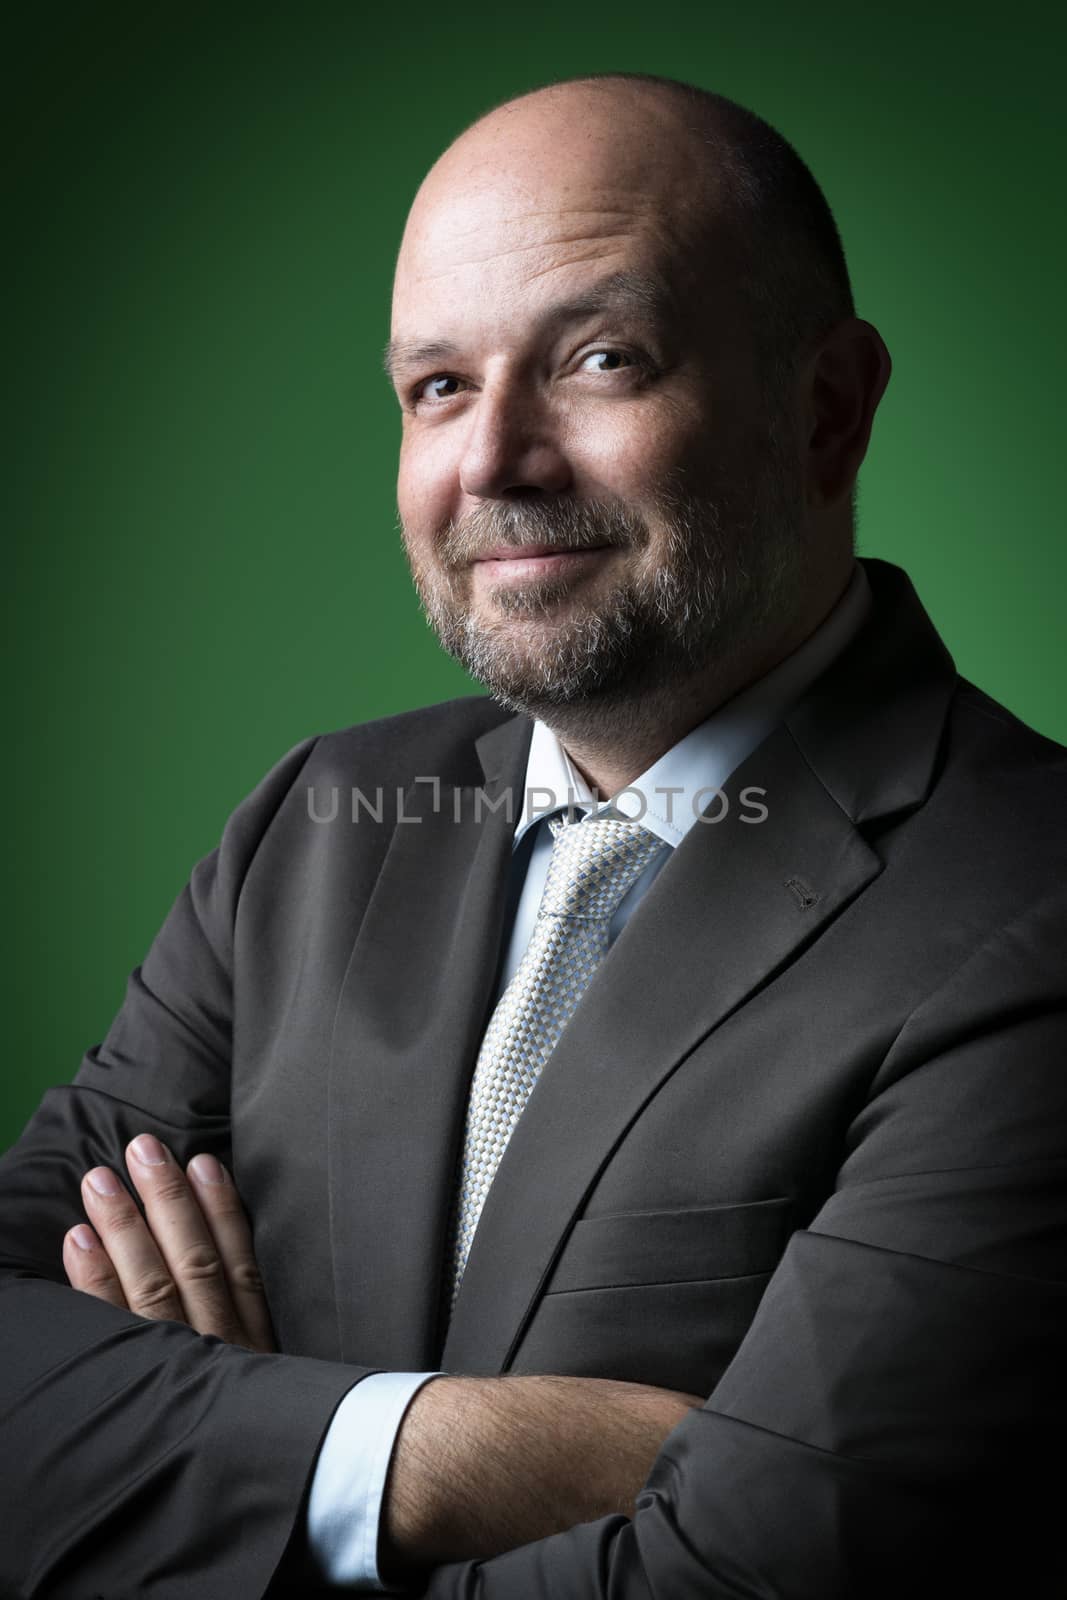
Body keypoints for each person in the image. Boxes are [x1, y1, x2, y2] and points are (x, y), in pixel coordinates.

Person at [2, 71, 1065, 1600]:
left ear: (827, 409)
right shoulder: (307, 831)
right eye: (437, 385)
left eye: (600, 359)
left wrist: (186, 1473)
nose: (492, 459)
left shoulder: (1031, 908)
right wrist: (409, 1453)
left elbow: (758, 1575)